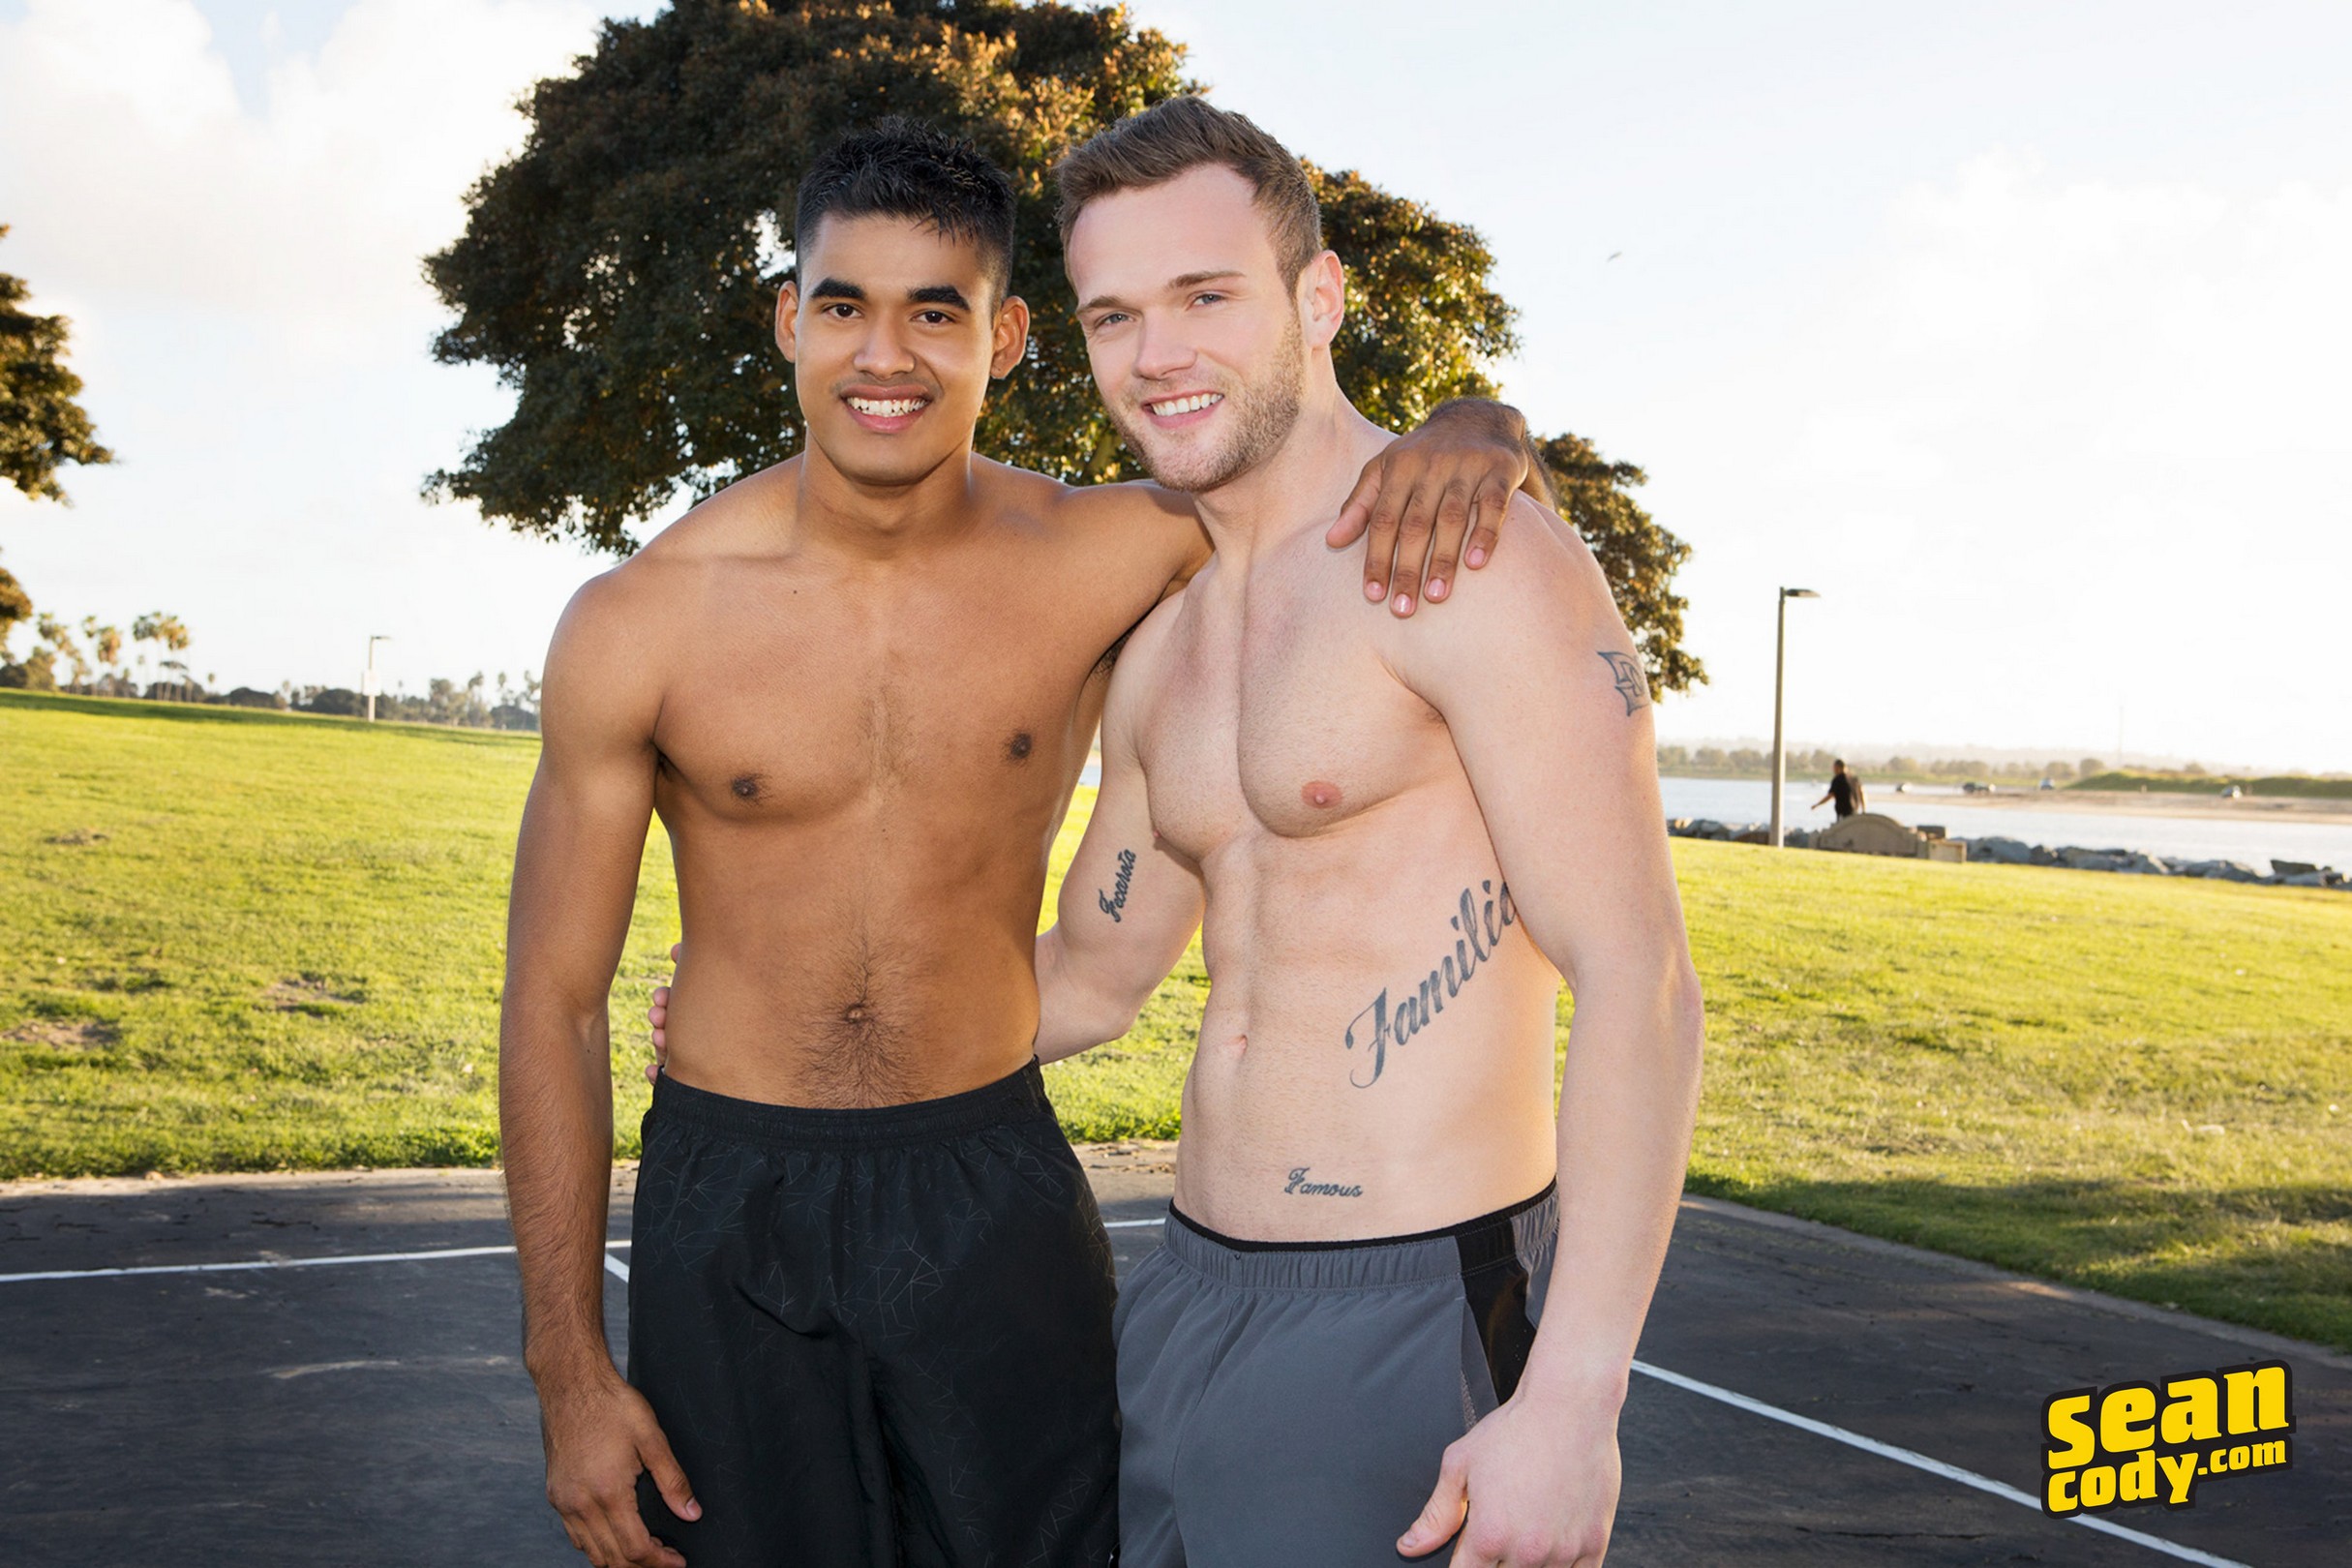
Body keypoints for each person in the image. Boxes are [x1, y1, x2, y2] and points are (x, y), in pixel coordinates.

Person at [501, 120, 1541, 1568]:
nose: (885, 356)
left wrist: (1483, 424)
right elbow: (552, 1001)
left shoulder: (1115, 548)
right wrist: (567, 1370)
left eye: (936, 314)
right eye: (845, 306)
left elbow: (1329, 481)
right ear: (788, 320)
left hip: (985, 1185)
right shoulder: (639, 621)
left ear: (1006, 338)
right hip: (727, 1204)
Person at [1020, 99, 1706, 1567]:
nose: (1156, 353)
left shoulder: (1468, 561)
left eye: (1207, 296)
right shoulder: (1163, 642)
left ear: (1318, 299)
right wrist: (803, 1036)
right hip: (1186, 1295)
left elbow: (1638, 978)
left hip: (1410, 1306)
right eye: (1114, 316)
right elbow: (1086, 977)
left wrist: (1572, 1400)